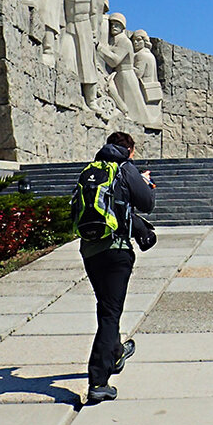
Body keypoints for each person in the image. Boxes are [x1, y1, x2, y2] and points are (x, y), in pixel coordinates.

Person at [81, 130, 155, 404]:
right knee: (110, 314)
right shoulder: (125, 168)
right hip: (116, 250)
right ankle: (98, 381)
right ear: (129, 150)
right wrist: (145, 183)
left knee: (106, 306)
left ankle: (116, 352)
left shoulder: (91, 170)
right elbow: (147, 204)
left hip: (90, 250)